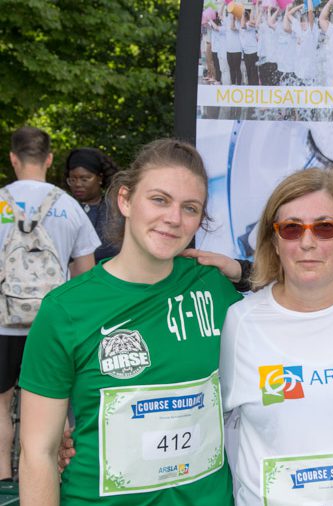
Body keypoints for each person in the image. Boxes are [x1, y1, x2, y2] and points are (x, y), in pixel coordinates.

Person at [18, 139, 241, 505]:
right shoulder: (66, 309)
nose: (173, 218)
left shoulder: (213, 287)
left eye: (190, 208)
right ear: (125, 200)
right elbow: (38, 453)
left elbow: (298, 294)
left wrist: (243, 272)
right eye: (159, 199)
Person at [192, 168, 333, 505]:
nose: (307, 242)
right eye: (292, 229)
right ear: (275, 242)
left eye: (325, 228)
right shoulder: (242, 322)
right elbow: (205, 428)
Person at [0, 127, 100, 482]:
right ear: (49, 159)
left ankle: (3, 484)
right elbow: (86, 277)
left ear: (13, 159)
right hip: (55, 324)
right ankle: (56, 479)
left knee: (0, 406)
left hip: (2, 323)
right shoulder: (69, 207)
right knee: (54, 406)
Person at [65, 147, 120, 262]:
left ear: (99, 178)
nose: (78, 184)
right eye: (72, 179)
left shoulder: (115, 208)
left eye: (85, 179)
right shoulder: (64, 208)